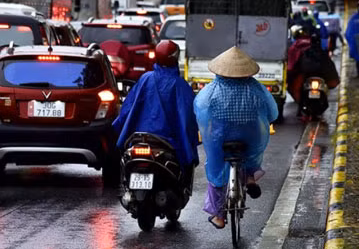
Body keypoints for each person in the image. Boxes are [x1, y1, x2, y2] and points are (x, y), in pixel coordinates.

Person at [194, 46, 278, 229]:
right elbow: (273, 112)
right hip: (251, 136)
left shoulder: (212, 90)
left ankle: (218, 216)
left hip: (221, 138)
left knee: (216, 169)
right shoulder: (256, 89)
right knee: (252, 154)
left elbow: (200, 110)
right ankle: (250, 177)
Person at [113, 40, 199, 187]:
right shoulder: (180, 85)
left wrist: (118, 124)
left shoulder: (146, 79)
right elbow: (188, 119)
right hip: (168, 141)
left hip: (138, 138)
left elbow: (128, 108)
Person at [287, 28, 339, 112]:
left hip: (308, 76)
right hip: (313, 76)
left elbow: (292, 64)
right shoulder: (320, 52)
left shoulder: (298, 48)